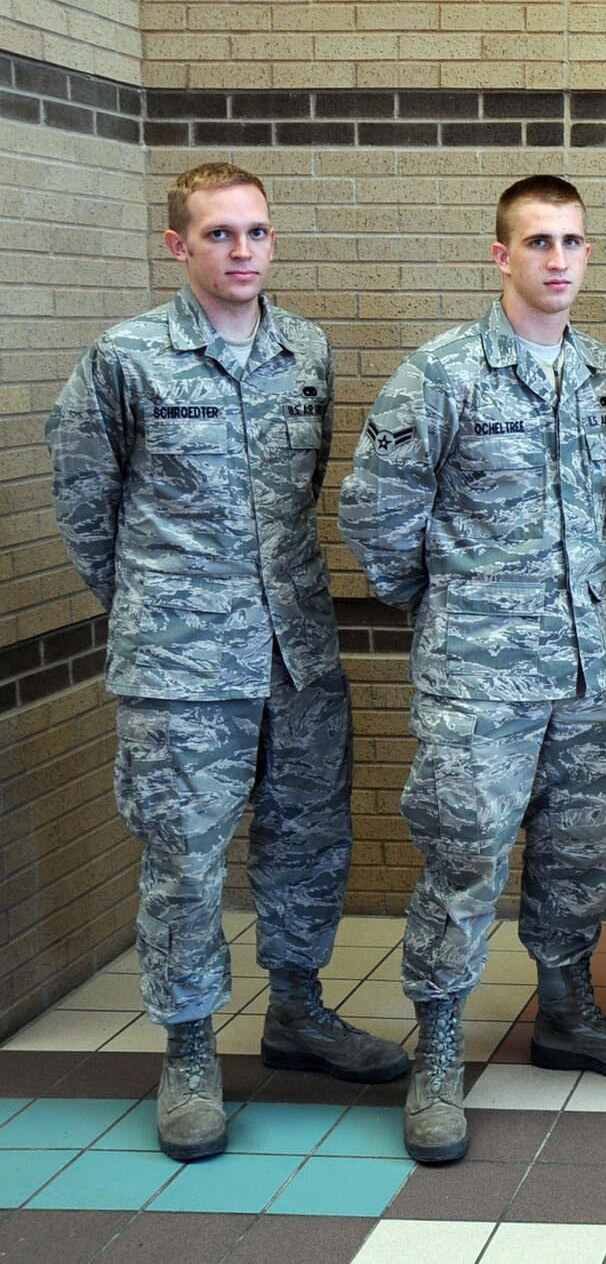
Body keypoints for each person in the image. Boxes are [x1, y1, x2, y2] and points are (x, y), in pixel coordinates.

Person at [46, 163, 407, 1162]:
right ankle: (190, 1050)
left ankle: (297, 1011)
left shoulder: (307, 353)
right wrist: (156, 610)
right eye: (218, 234)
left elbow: (304, 488)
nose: (241, 250)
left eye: (256, 232)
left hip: (296, 653)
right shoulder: (125, 359)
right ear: (178, 246)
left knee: (306, 846)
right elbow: (84, 502)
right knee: (185, 865)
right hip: (179, 669)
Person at [340, 175, 606, 1165]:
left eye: (572, 241)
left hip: (584, 667)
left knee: (577, 853)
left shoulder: (603, 375)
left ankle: (566, 1011)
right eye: (537, 242)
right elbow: (374, 510)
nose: (558, 259)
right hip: (478, 674)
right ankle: (437, 1050)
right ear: (500, 255)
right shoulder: (442, 375)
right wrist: (446, 602)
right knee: (465, 857)